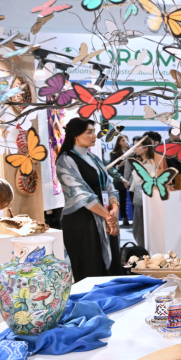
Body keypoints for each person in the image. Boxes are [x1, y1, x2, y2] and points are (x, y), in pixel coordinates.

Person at [56, 118, 121, 282]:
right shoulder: (65, 160)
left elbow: (109, 186)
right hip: (82, 222)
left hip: (105, 217)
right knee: (90, 267)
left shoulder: (94, 158)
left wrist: (114, 209)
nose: (94, 136)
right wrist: (108, 217)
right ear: (76, 135)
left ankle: (113, 304)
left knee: (112, 267)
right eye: (89, 132)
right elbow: (80, 193)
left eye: (94, 132)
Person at [127, 132, 164, 251]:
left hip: (145, 201)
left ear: (145, 148)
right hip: (139, 200)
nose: (134, 149)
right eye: (134, 146)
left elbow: (140, 180)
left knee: (140, 230)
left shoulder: (150, 163)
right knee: (138, 229)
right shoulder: (144, 162)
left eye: (137, 146)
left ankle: (144, 254)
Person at [108, 135, 131, 227]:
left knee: (134, 199)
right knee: (122, 200)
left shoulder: (132, 152)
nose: (125, 142)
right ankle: (124, 218)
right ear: (119, 142)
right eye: (123, 140)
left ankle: (136, 219)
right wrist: (119, 166)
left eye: (126, 140)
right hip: (120, 179)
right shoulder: (115, 154)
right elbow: (111, 168)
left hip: (131, 178)